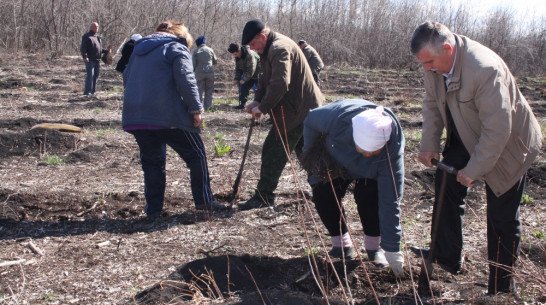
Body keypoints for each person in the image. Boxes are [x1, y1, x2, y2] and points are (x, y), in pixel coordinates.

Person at [409, 21, 542, 295]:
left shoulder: (484, 69)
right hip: (467, 131)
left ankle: (501, 288)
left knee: (501, 217)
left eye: (429, 62)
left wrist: (474, 169)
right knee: (446, 185)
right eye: (422, 63)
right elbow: (432, 103)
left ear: (448, 49)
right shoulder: (435, 65)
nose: (426, 69)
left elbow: (498, 130)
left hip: (510, 147)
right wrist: (429, 143)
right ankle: (446, 255)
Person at [122, 20, 227, 217]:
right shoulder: (176, 47)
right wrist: (196, 108)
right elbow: (185, 78)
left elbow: (126, 77)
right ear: (181, 36)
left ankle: (153, 210)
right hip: (166, 116)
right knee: (196, 154)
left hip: (137, 116)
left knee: (153, 162)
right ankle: (204, 201)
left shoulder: (137, 50)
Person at [301, 99, 405, 278]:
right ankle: (341, 245)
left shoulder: (391, 153)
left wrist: (393, 250)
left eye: (374, 152)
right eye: (364, 150)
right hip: (336, 156)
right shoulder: (334, 119)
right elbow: (309, 120)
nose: (368, 155)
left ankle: (374, 247)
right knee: (323, 193)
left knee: (370, 195)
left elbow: (390, 201)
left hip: (372, 170)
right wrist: (313, 159)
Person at [237, 19, 323, 211]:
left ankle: (264, 197)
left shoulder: (279, 48)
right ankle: (322, 191)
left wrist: (264, 107)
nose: (251, 48)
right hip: (299, 109)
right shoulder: (267, 50)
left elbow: (280, 83)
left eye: (252, 44)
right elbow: (264, 79)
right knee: (306, 153)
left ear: (262, 37)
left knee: (272, 151)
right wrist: (257, 100)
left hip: (298, 110)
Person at [227, 42, 261, 109]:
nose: (235, 56)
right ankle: (242, 104)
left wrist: (244, 79)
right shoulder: (238, 57)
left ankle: (262, 105)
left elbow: (251, 69)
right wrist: (237, 78)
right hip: (249, 75)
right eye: (234, 55)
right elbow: (238, 69)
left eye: (235, 54)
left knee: (260, 90)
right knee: (244, 88)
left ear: (239, 51)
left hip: (259, 75)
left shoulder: (250, 55)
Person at [80, 22, 110, 96]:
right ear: (91, 27)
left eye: (97, 27)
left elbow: (99, 49)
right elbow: (83, 48)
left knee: (96, 76)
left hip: (97, 60)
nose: (97, 28)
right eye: (95, 27)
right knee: (90, 75)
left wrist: (106, 51)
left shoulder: (97, 37)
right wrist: (85, 57)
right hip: (90, 59)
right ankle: (87, 92)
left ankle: (93, 91)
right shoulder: (86, 36)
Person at [192, 35, 217, 110]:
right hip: (210, 72)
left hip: (199, 72)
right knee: (209, 90)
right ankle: (207, 106)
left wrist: (193, 71)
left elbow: (193, 63)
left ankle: (199, 107)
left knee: (199, 90)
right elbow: (215, 61)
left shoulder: (196, 51)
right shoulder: (210, 50)